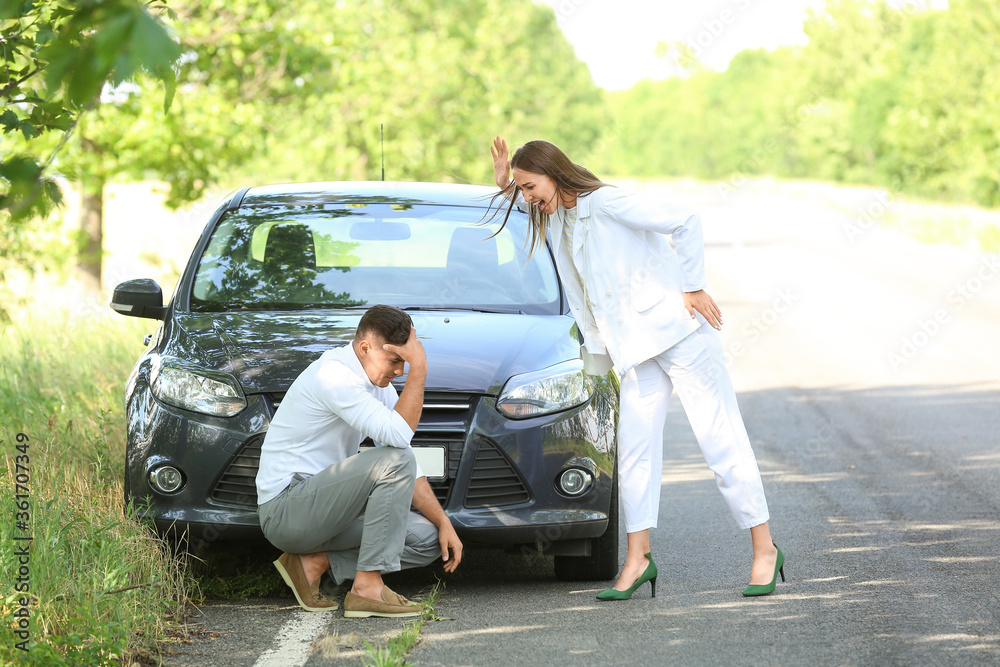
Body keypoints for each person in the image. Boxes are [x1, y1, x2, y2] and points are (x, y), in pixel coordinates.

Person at [488, 137, 783, 599]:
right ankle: (638, 560)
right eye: (522, 190)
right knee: (634, 455)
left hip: (681, 335)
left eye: (530, 187)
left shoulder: (606, 202)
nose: (528, 198)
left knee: (720, 439)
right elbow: (527, 211)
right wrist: (506, 184)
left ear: (554, 172)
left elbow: (685, 220)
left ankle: (765, 550)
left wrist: (692, 287)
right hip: (633, 351)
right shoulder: (558, 215)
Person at [255, 304, 463, 616]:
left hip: (326, 511)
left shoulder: (375, 383)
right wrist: (420, 369)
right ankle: (367, 588)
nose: (400, 370)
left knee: (429, 539)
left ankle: (312, 563)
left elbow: (408, 464)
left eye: (406, 362)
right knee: (395, 457)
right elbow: (399, 441)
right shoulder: (334, 376)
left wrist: (443, 521)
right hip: (286, 511)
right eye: (396, 359)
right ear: (365, 348)